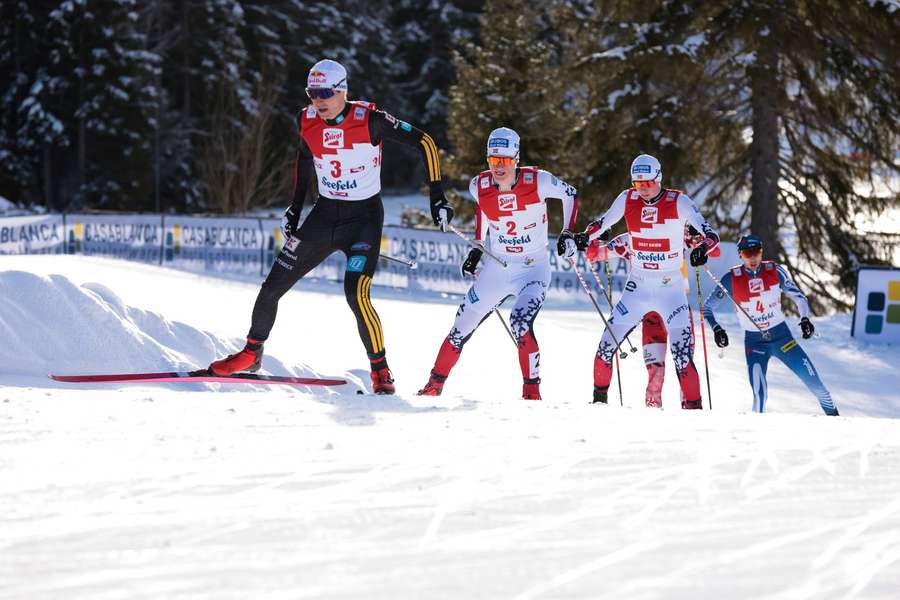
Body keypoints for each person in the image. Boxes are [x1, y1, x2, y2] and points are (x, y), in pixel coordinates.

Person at [207, 59, 453, 394]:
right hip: (324, 216)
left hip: (364, 220)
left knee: (356, 293)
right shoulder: (306, 119)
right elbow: (304, 159)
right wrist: (295, 208)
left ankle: (380, 370)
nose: (318, 100)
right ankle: (251, 352)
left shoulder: (370, 120)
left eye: (325, 93)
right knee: (272, 285)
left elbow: (425, 142)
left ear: (342, 91)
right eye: (312, 93)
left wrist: (436, 197)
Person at [417, 127, 579, 400]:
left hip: (533, 269)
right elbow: (482, 207)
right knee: (460, 328)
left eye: (504, 160)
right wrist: (478, 247)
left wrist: (567, 232)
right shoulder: (478, 185)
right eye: (493, 160)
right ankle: (433, 386)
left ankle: (531, 394)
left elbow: (571, 194)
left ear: (516, 158)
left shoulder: (539, 181)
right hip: (498, 267)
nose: (498, 167)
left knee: (520, 322)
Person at [574, 154, 719, 407]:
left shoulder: (678, 201)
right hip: (637, 288)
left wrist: (701, 248)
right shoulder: (627, 199)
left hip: (671, 290)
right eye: (638, 184)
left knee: (682, 359)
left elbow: (711, 235)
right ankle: (598, 407)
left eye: (648, 183)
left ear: (659, 178)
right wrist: (583, 238)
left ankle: (696, 418)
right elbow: (602, 223)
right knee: (605, 349)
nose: (643, 190)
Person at [701, 234, 839, 415]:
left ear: (761, 252)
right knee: (759, 396)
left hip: (782, 338)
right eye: (746, 253)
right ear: (740, 255)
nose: (752, 257)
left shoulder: (774, 270)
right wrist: (717, 329)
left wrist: (804, 318)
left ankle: (838, 423)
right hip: (755, 343)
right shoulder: (731, 278)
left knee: (817, 386)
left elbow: (799, 297)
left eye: (756, 252)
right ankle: (756, 437)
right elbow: (707, 308)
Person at [586, 226, 699, 408]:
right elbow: (592, 255)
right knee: (655, 374)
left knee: (684, 364)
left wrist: (697, 236)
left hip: (677, 309)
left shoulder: (678, 233)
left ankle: (692, 416)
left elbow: (713, 250)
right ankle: (652, 416)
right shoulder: (629, 238)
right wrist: (595, 238)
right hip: (651, 317)